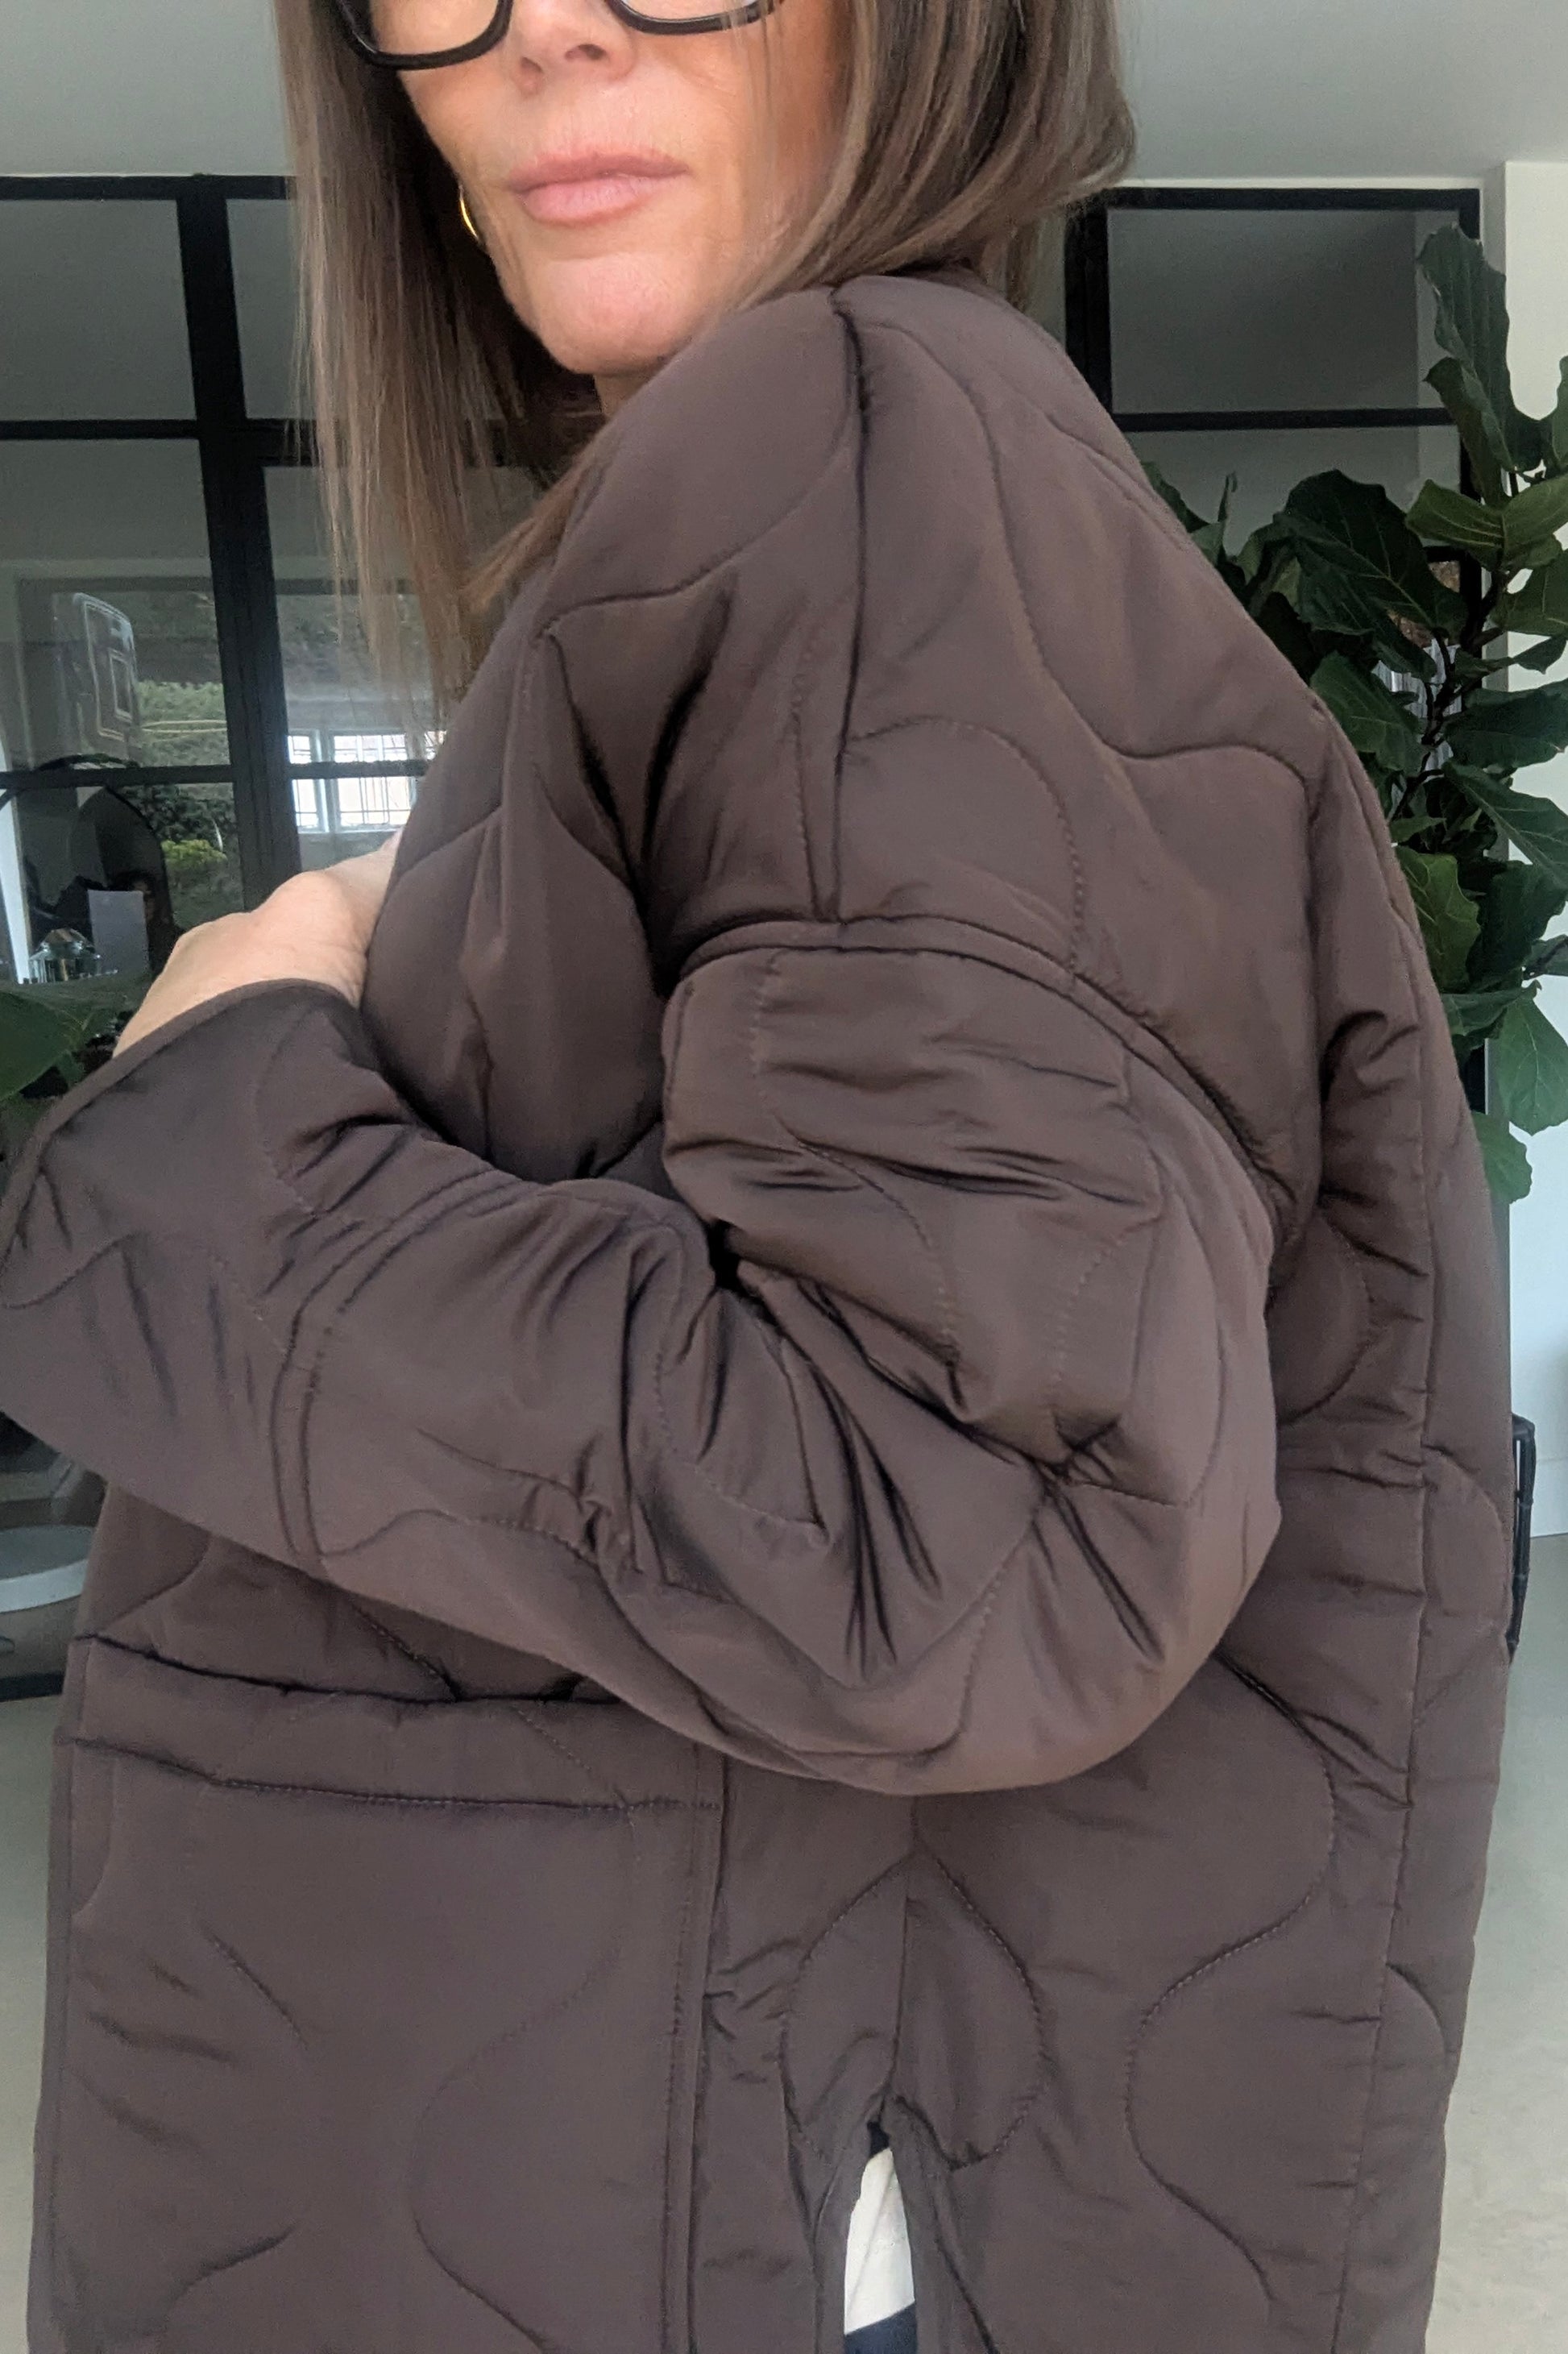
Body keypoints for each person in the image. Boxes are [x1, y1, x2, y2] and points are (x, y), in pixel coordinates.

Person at [0, 1, 1512, 2348]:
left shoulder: (857, 442)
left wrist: (216, 1129)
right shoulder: (790, 487)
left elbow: (957, 1543)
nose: (549, 25)